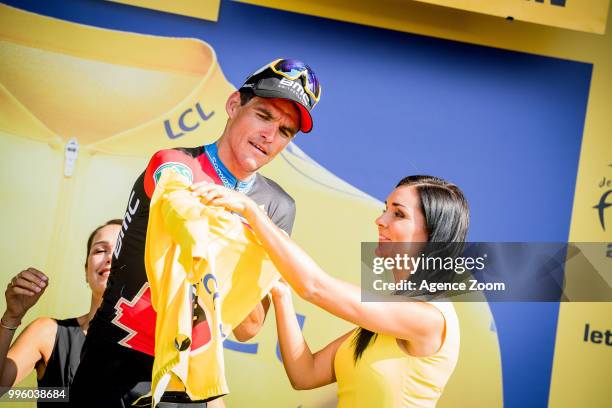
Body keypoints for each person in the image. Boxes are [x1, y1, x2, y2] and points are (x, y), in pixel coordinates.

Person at [70, 58, 322, 407]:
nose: (270, 135)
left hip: (188, 381)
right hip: (114, 367)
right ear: (234, 105)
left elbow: (247, 328)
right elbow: (178, 206)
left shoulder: (278, 207)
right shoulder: (175, 162)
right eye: (263, 116)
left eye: (285, 131)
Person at [191, 175, 469, 407]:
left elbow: (315, 287)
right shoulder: (386, 321)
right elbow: (305, 374)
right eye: (385, 208)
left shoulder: (429, 317)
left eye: (398, 213)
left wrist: (251, 211)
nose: (380, 220)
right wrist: (280, 294)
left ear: (432, 236)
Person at [0, 219, 122, 407]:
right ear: (86, 271)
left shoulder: (159, 344)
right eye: (99, 250)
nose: (110, 257)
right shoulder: (48, 333)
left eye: (121, 249)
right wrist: (12, 317)